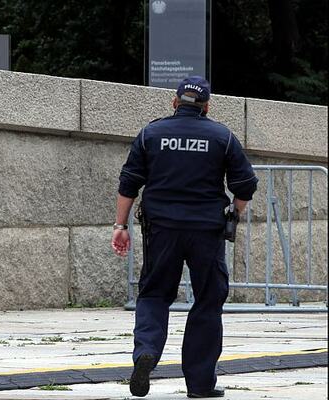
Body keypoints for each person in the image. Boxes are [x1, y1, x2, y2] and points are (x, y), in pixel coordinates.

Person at [111, 76, 257, 398]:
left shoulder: (152, 133)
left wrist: (121, 226)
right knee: (208, 299)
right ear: (207, 106)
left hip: (161, 229)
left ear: (174, 102)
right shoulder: (222, 137)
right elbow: (245, 184)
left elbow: (129, 183)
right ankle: (201, 384)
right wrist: (235, 212)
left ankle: (145, 352)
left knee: (153, 293)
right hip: (206, 231)